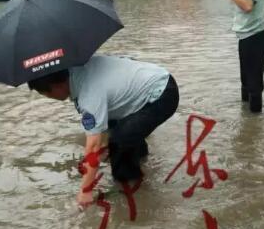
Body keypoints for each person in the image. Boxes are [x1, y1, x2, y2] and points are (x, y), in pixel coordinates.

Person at [28, 55, 179, 208]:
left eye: (45, 93)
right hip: (151, 77)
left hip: (161, 94)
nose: (48, 97)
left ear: (56, 86)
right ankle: (140, 159)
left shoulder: (89, 95)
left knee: (119, 141)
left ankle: (132, 188)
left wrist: (86, 190)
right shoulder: (77, 66)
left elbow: (94, 145)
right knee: (115, 129)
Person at [218, 0, 264, 113]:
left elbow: (247, 6)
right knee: (245, 80)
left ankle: (254, 125)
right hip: (245, 37)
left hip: (256, 36)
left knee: (253, 81)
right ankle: (246, 120)